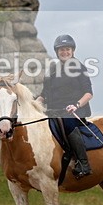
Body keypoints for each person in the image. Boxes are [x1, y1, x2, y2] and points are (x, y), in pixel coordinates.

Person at [37, 34, 93, 178]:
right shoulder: (52, 69)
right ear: (57, 52)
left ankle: (84, 164)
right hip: (52, 111)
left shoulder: (79, 67)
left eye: (67, 49)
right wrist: (37, 102)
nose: (65, 52)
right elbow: (44, 93)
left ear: (72, 51)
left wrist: (76, 105)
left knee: (68, 124)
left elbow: (89, 93)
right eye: (61, 50)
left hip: (73, 112)